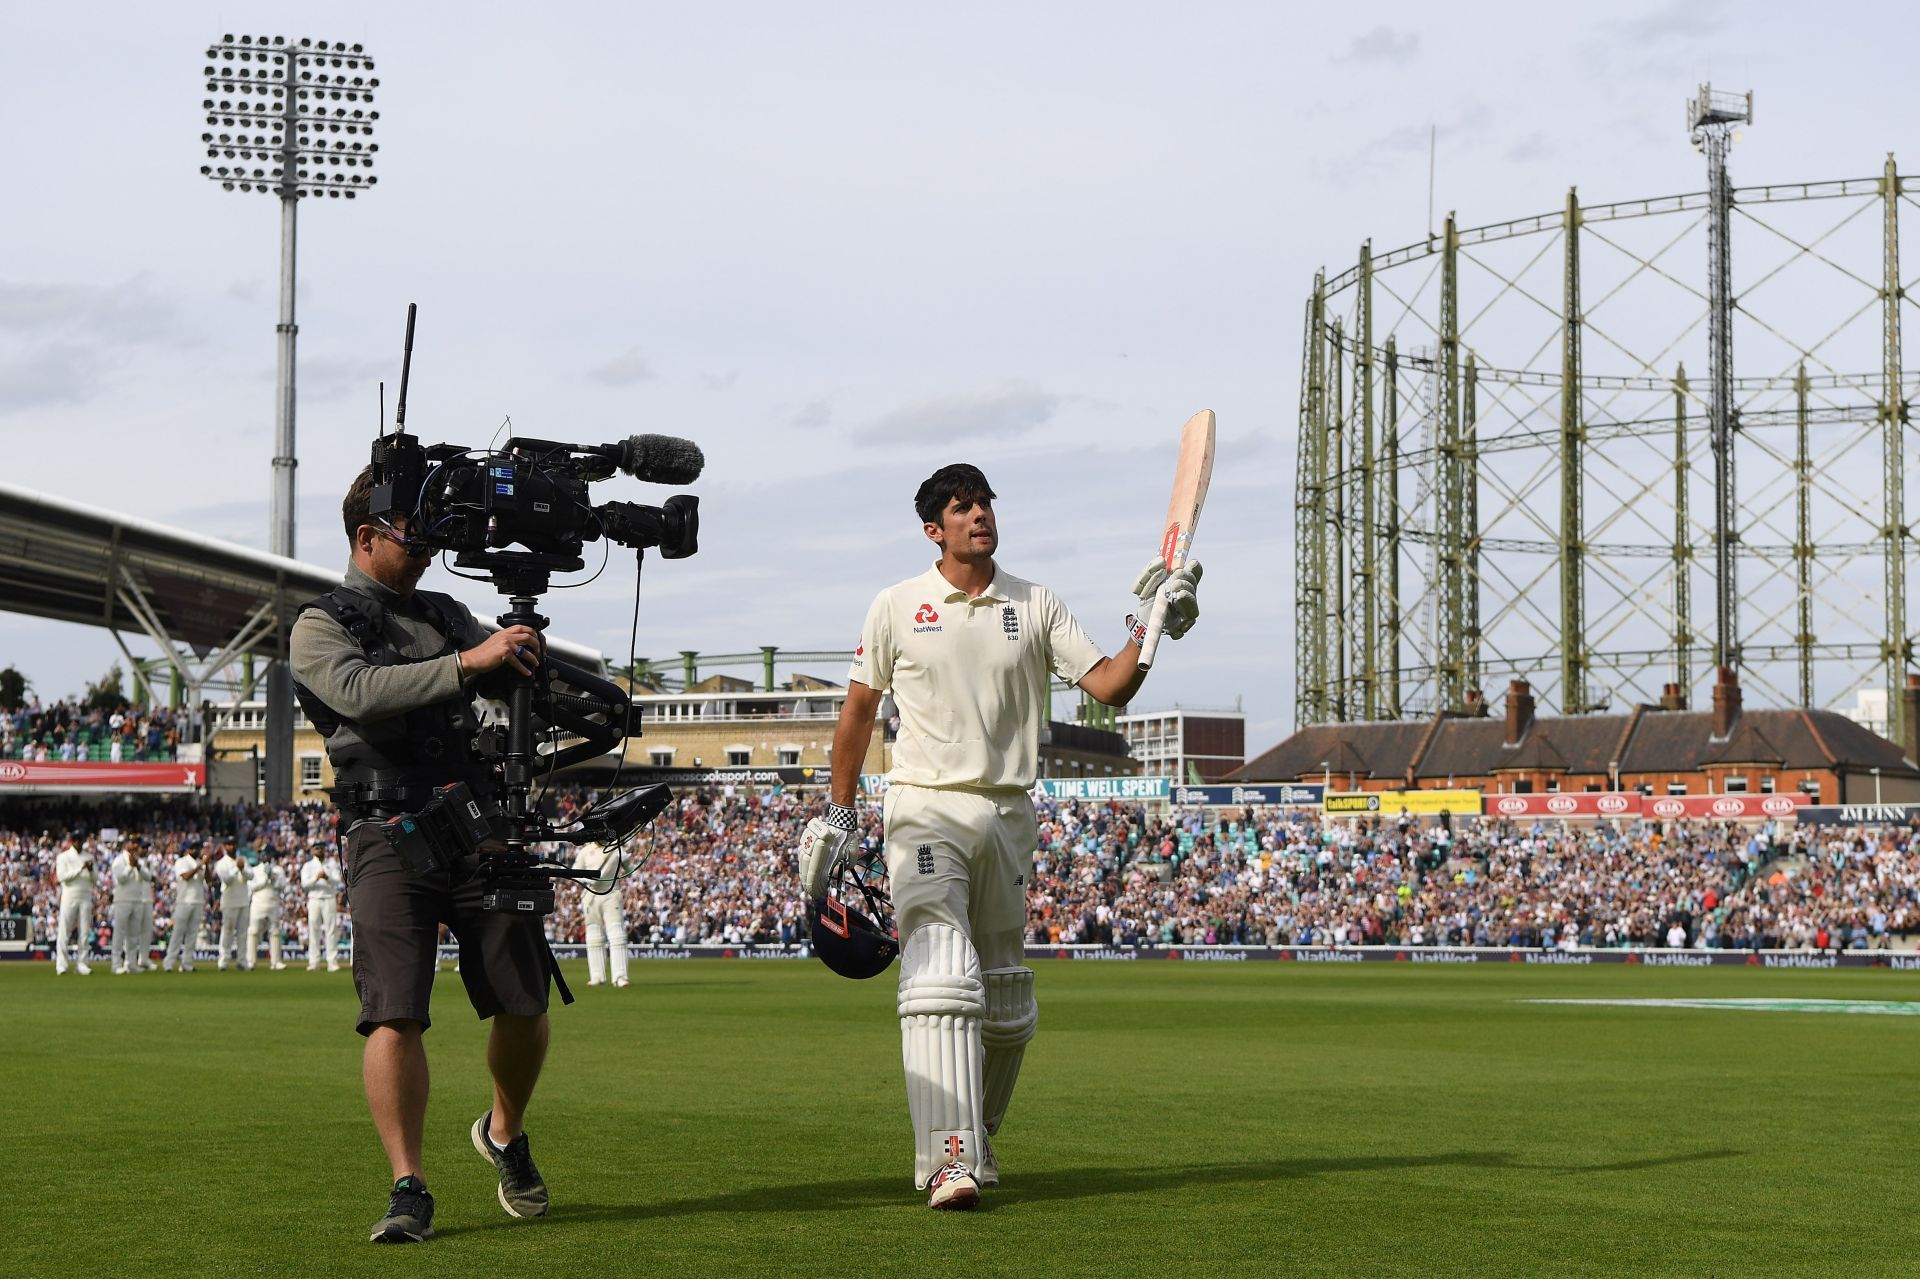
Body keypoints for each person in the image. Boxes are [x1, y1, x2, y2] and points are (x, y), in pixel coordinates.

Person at [798, 463, 1202, 1210]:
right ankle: (946, 1160)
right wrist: (843, 809)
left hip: (1010, 811)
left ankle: (977, 1137)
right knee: (942, 973)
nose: (979, 513)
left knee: (1008, 1006)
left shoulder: (1035, 602)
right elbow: (856, 714)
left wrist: (1151, 625)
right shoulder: (897, 605)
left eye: (984, 501)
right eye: (962, 506)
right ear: (934, 529)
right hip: (924, 804)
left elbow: (1110, 684)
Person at [289, 465, 566, 1243]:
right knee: (395, 1011)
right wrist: (470, 663)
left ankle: (504, 1131)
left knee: (525, 997)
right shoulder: (321, 621)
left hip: (475, 818)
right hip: (384, 828)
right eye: (412, 534)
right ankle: (408, 1182)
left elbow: (510, 670)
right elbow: (359, 691)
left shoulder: (449, 610)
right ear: (364, 536)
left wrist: (548, 676)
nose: (427, 550)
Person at [573, 841, 629, 988]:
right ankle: (597, 976)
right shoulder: (586, 850)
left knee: (616, 934)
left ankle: (620, 977)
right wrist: (587, 880)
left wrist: (627, 862)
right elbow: (574, 872)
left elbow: (631, 871)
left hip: (611, 894)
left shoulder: (617, 849)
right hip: (590, 896)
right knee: (593, 936)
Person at [163, 837, 210, 972]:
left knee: (192, 934)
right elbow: (186, 877)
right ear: (188, 850)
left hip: (197, 901)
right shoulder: (181, 862)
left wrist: (206, 866)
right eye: (193, 848)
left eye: (198, 848)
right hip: (184, 902)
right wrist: (200, 865)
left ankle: (187, 963)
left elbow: (209, 881)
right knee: (178, 933)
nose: (197, 850)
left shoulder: (200, 863)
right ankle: (169, 962)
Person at [109, 837, 155, 975]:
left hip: (137, 900)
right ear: (126, 844)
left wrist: (138, 866)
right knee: (119, 933)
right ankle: (116, 964)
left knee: (133, 935)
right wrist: (130, 866)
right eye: (133, 843)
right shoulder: (119, 860)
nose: (135, 846)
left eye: (137, 843)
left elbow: (148, 877)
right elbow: (121, 879)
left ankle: (131, 963)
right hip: (122, 900)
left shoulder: (139, 861)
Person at [52, 835, 95, 976]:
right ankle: (61, 965)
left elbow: (95, 879)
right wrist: (81, 868)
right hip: (69, 896)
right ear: (72, 841)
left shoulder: (89, 857)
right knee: (64, 931)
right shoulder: (63, 857)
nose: (78, 842)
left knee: (84, 932)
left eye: (80, 839)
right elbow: (62, 877)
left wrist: (90, 870)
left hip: (85, 896)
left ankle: (82, 964)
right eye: (76, 840)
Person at [302, 842, 345, 972]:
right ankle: (314, 962)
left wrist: (327, 877)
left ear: (325, 850)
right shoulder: (308, 866)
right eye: (317, 848)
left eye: (321, 848)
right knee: (314, 931)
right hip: (314, 899)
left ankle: (332, 962)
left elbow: (338, 882)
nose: (319, 851)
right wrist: (316, 878)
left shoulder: (331, 864)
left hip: (329, 898)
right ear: (312, 851)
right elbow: (305, 885)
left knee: (331, 930)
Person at [213, 839, 253, 971]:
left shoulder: (243, 859)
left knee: (243, 933)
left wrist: (242, 869)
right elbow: (227, 880)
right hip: (229, 901)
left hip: (243, 900)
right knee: (228, 931)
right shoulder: (221, 863)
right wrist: (237, 867)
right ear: (225, 847)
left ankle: (242, 960)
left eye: (233, 844)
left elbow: (251, 876)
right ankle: (223, 961)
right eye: (229, 845)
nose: (232, 847)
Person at [247, 848, 289, 970]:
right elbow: (252, 887)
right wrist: (265, 880)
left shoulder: (278, 870)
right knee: (253, 931)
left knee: (275, 932)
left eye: (267, 854)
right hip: (257, 904)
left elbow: (282, 887)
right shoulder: (254, 870)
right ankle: (251, 961)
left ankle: (276, 962)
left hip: (273, 903)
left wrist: (273, 879)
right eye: (263, 854)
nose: (265, 857)